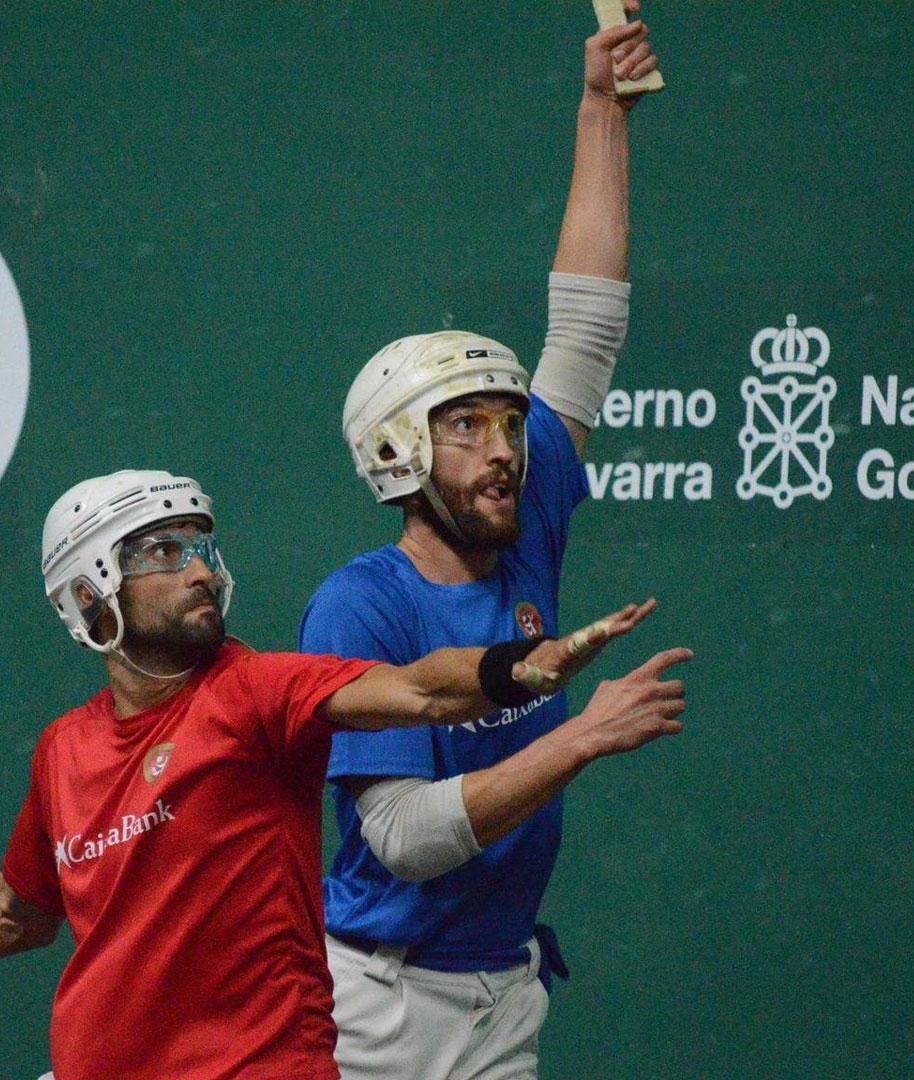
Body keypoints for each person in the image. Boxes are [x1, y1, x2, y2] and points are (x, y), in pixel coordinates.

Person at [0, 469, 688, 1080]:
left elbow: (415, 691)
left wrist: (511, 670)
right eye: (163, 553)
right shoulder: (63, 752)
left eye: (202, 546)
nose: (200, 568)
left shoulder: (257, 694)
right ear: (89, 594)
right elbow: (15, 912)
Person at [301, 14, 685, 1079]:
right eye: (463, 428)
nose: (502, 447)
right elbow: (405, 840)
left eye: (507, 422)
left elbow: (587, 329)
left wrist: (602, 110)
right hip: (372, 1005)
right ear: (396, 458)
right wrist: (581, 738)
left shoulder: (526, 527)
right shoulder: (357, 609)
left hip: (502, 997)